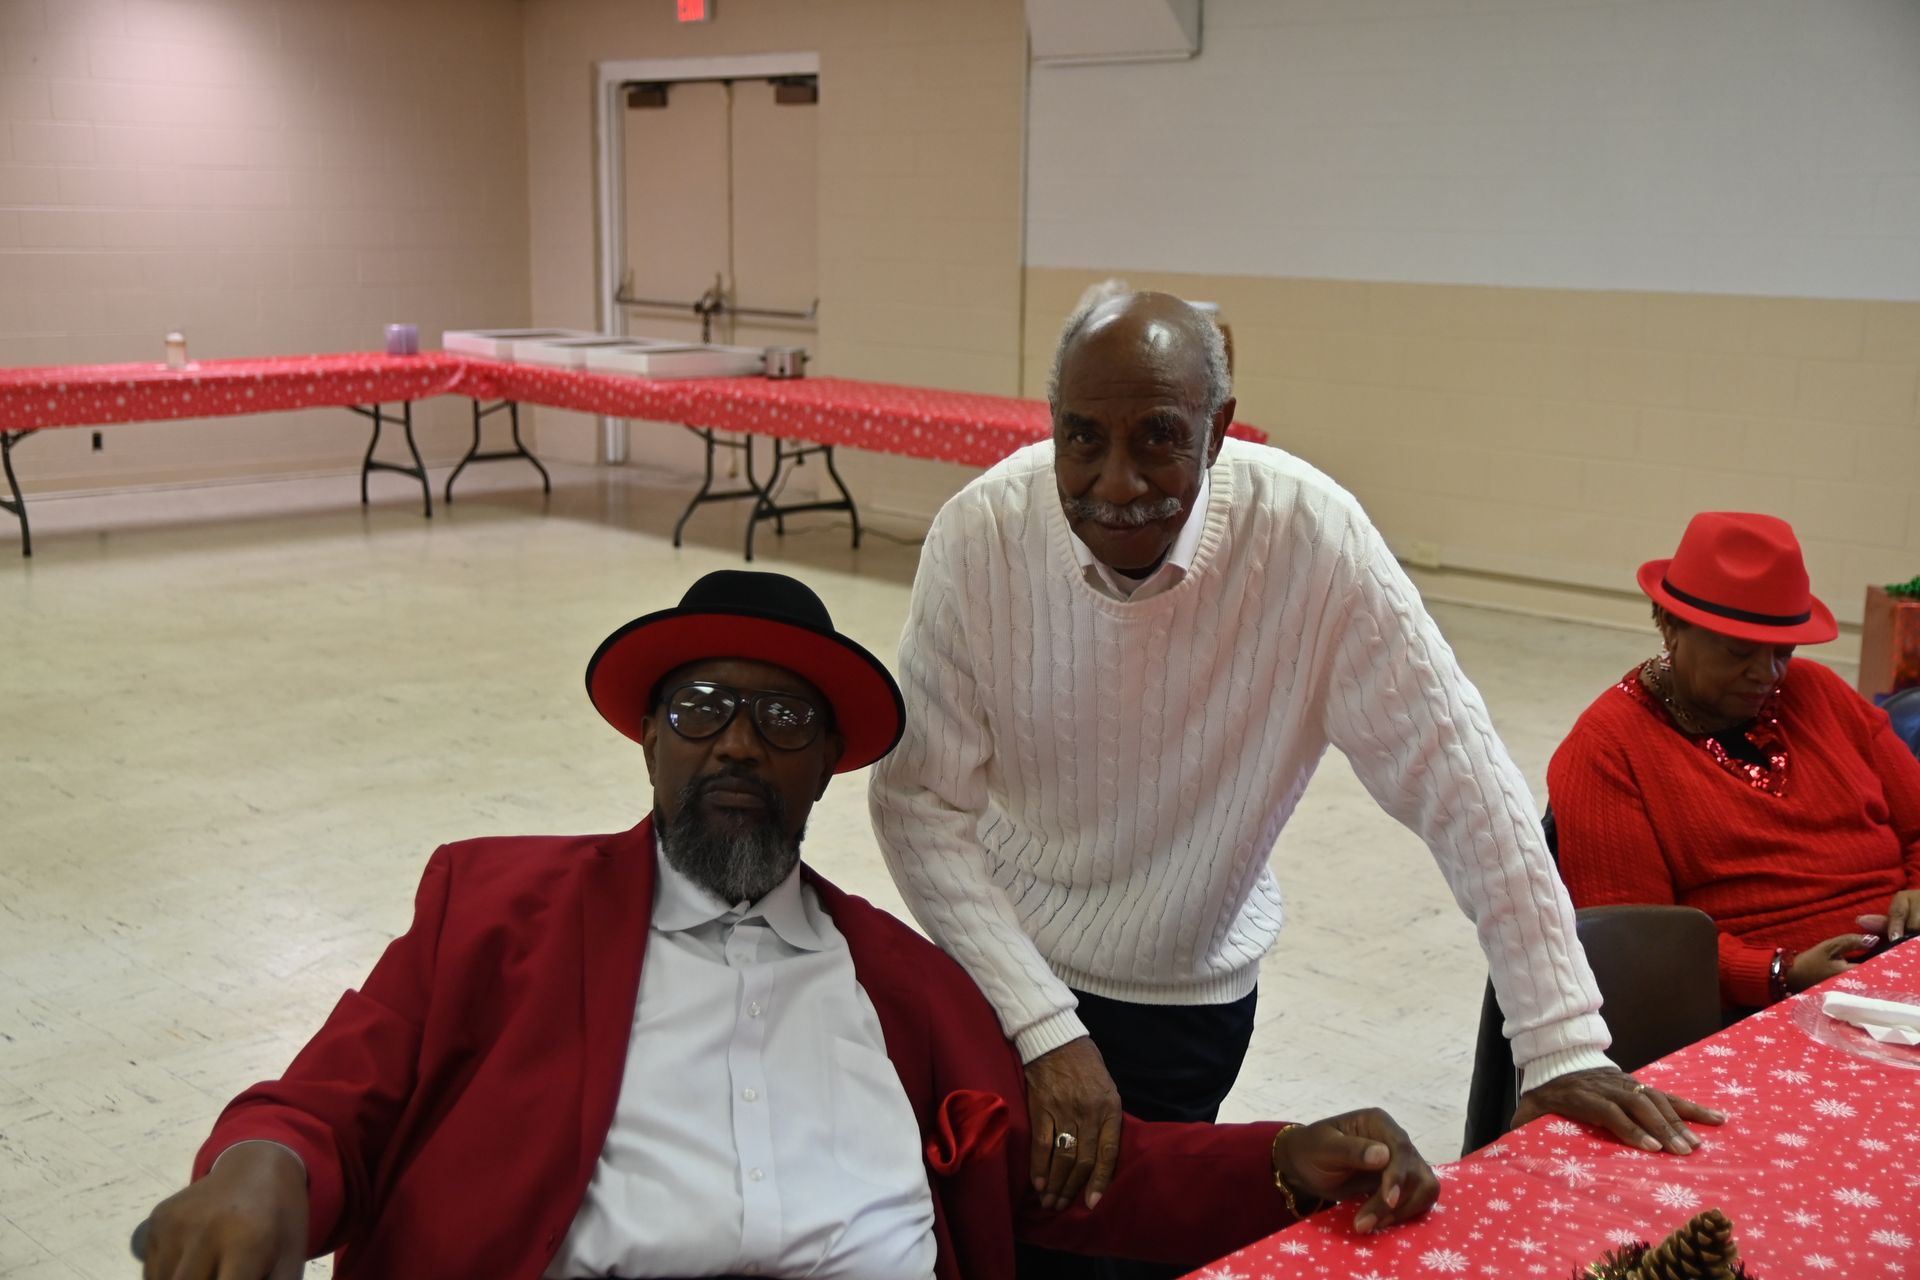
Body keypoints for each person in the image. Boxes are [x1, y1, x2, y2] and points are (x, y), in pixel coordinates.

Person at [136, 570, 1440, 1280]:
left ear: (826, 770)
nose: (739, 744)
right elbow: (326, 1104)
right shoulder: (490, 908)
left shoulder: (909, 987)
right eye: (700, 709)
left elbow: (1078, 1178)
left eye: (784, 720)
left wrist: (1284, 1160)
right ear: (649, 741)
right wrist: (263, 1168)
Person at [868, 285, 1722, 1276]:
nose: (1117, 480)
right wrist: (1040, 1024)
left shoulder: (1310, 537)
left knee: (1131, 1247)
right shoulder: (982, 534)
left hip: (1185, 996)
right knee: (989, 1241)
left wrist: (1560, 1034)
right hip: (1003, 969)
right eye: (1082, 438)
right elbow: (918, 801)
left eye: (1159, 436)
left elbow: (1462, 781)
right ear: (1052, 420)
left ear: (1219, 427)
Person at [1550, 512, 1920, 1013]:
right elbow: (1639, 941)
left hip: (1900, 959)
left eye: (1783, 652)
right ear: (1671, 626)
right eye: (1739, 652)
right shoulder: (1607, 750)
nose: (1766, 674)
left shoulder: (1821, 693)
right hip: (1753, 1005)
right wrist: (1778, 972)